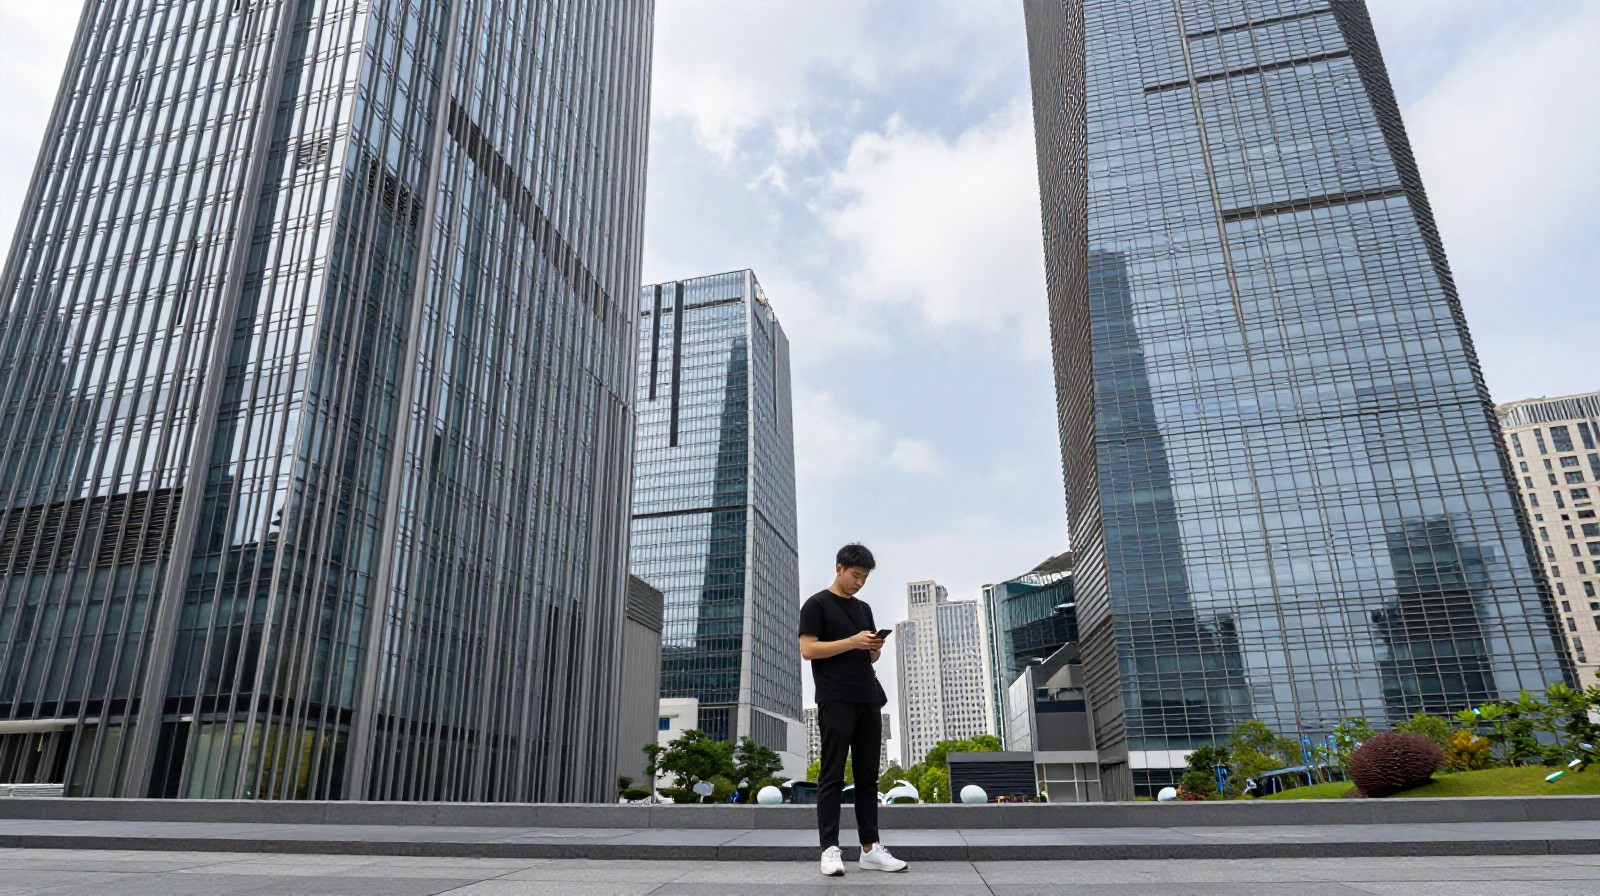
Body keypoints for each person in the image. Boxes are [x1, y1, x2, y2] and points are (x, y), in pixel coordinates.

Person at [798, 543, 908, 877]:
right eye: (856, 576)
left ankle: (870, 849)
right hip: (835, 698)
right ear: (839, 568)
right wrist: (852, 642)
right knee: (831, 775)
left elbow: (869, 657)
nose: (860, 583)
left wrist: (874, 647)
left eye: (864, 578)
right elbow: (808, 650)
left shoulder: (863, 608)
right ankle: (829, 850)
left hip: (868, 698)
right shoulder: (816, 604)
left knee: (867, 778)